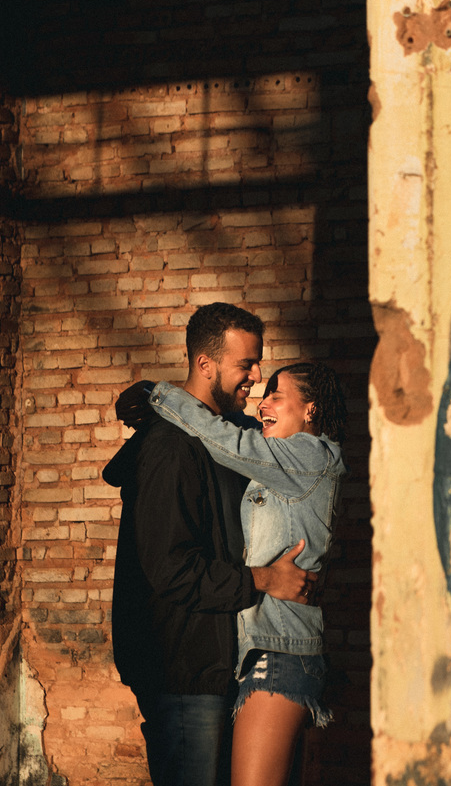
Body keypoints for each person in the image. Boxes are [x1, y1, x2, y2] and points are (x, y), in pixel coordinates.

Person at [103, 303, 317, 786]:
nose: (256, 376)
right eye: (246, 364)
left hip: (218, 666)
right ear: (206, 364)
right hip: (183, 671)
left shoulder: (228, 438)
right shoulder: (171, 447)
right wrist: (265, 579)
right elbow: (171, 568)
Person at [146, 361, 348, 786]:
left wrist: (157, 394)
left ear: (310, 409)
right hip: (271, 652)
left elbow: (229, 441)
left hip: (279, 654)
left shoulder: (309, 454)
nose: (262, 405)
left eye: (276, 395)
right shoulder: (291, 460)